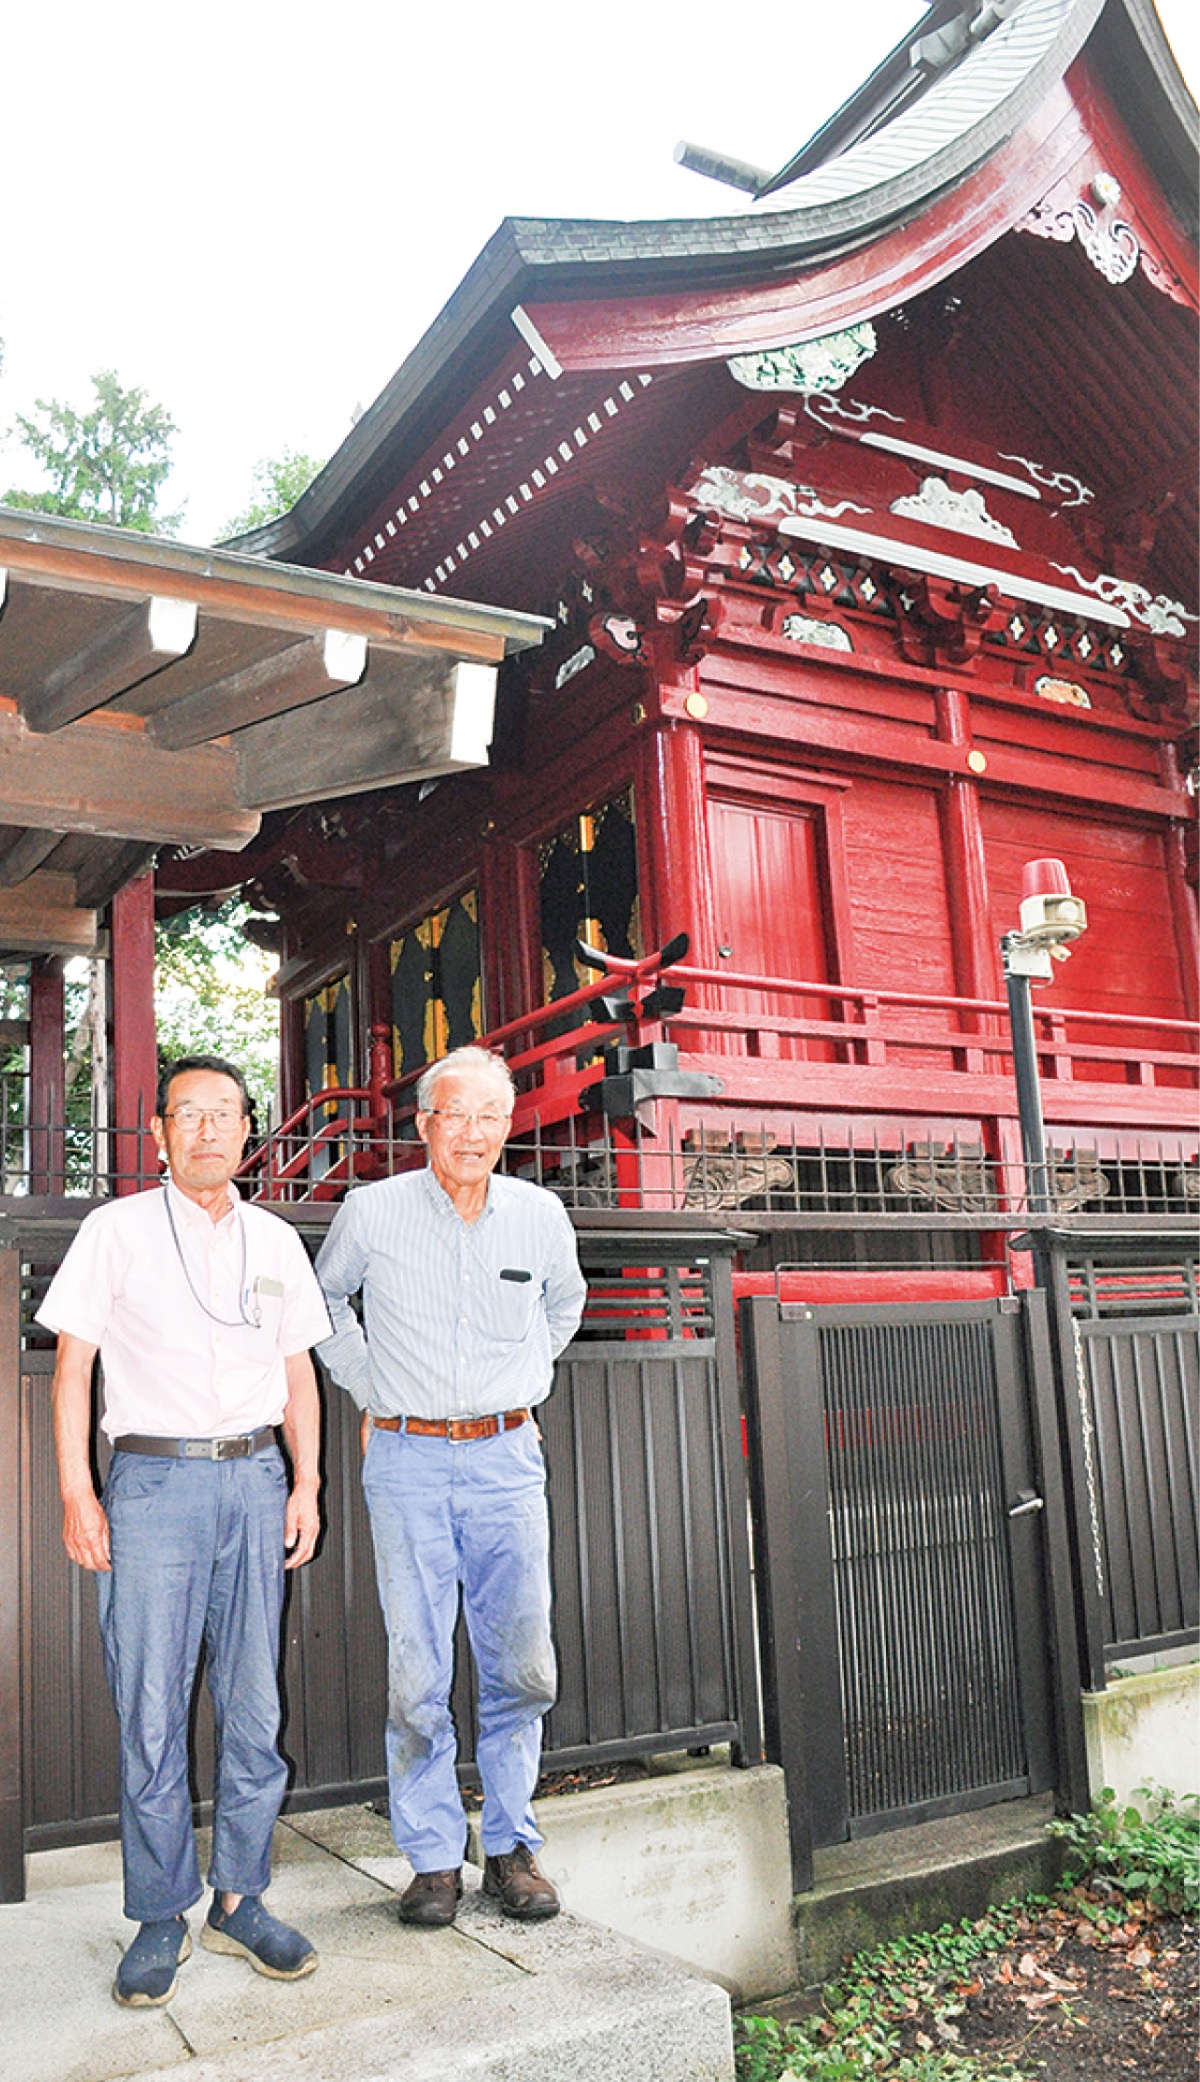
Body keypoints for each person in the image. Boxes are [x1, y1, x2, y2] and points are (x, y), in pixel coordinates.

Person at [39, 1054, 332, 2008]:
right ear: (158, 1132)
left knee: (255, 1705)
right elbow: (73, 1369)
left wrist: (308, 1483)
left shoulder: (277, 1242)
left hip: (254, 1479)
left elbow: (299, 1376)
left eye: (225, 1113)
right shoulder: (113, 1230)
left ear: (250, 1130)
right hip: (152, 1485)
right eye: (187, 1114)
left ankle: (240, 1898)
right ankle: (160, 1910)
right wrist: (80, 1493)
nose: (207, 1129)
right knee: (152, 1708)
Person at [315, 1044, 586, 1928]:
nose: (472, 1134)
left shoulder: (539, 1214)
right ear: (424, 1123)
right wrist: (372, 1384)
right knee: (417, 1670)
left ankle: (511, 1846)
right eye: (454, 1115)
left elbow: (564, 1305)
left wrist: (521, 1380)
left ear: (507, 1127)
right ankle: (433, 1858)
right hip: (407, 1461)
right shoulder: (373, 1209)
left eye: (489, 1118)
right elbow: (323, 1304)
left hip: (508, 1459)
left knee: (523, 1664)